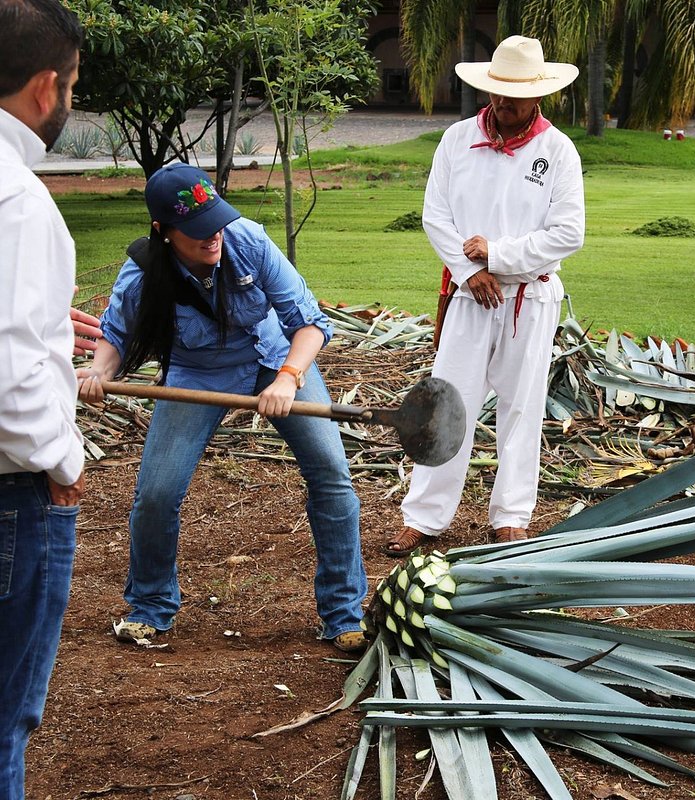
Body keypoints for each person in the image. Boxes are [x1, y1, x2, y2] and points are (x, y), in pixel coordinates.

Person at [76, 163, 367, 653]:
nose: (212, 237)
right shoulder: (144, 272)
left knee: (331, 472)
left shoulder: (246, 239)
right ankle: (150, 607)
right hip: (199, 374)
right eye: (196, 231)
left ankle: (343, 614)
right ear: (164, 232)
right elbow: (117, 336)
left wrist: (288, 378)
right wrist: (100, 374)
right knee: (157, 493)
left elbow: (310, 324)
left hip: (276, 359)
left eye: (215, 221)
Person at [386, 36, 584, 555]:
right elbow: (436, 215)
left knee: (522, 408)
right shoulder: (456, 139)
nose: (503, 103)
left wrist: (497, 255)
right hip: (470, 295)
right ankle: (425, 517)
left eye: (515, 95)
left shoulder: (557, 150)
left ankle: (511, 517)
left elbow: (569, 233)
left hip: (530, 296)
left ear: (539, 95)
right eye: (496, 92)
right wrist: (467, 269)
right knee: (449, 403)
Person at [0, 1, 85, 798]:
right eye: (71, 87)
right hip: (11, 495)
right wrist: (59, 458)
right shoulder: (18, 202)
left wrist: (50, 320)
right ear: (41, 89)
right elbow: (7, 374)